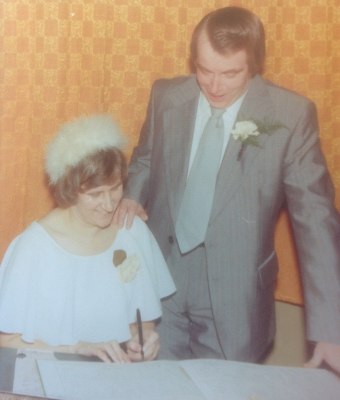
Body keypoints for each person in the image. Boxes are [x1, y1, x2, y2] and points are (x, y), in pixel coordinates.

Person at [113, 6, 340, 372]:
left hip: (236, 292)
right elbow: (145, 157)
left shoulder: (289, 116)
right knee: (149, 387)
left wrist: (332, 329)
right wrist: (133, 194)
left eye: (231, 73)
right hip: (160, 277)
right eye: (205, 71)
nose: (215, 86)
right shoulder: (167, 96)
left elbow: (316, 219)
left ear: (255, 64)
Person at [0, 114, 176, 363]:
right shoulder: (34, 247)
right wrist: (77, 349)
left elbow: (142, 323)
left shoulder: (131, 229)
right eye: (95, 194)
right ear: (70, 190)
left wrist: (143, 341)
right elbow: (7, 342)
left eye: (115, 188)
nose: (108, 204)